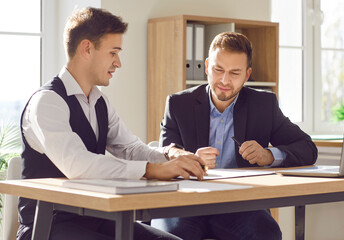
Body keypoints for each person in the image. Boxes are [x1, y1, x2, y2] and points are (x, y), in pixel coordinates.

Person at [17, 7, 207, 240]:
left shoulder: (100, 102)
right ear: (87, 48)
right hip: (48, 225)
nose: (118, 63)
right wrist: (151, 170)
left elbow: (130, 149)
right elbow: (77, 164)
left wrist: (170, 156)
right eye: (113, 52)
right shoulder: (47, 102)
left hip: (95, 218)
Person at [151, 32, 318, 240]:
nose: (224, 80)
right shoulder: (178, 104)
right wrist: (189, 157)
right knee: (165, 236)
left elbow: (307, 148)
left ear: (247, 75)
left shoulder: (263, 105)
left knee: (267, 233)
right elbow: (165, 151)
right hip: (185, 202)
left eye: (234, 73)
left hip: (240, 204)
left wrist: (269, 155)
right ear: (206, 66)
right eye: (218, 69)